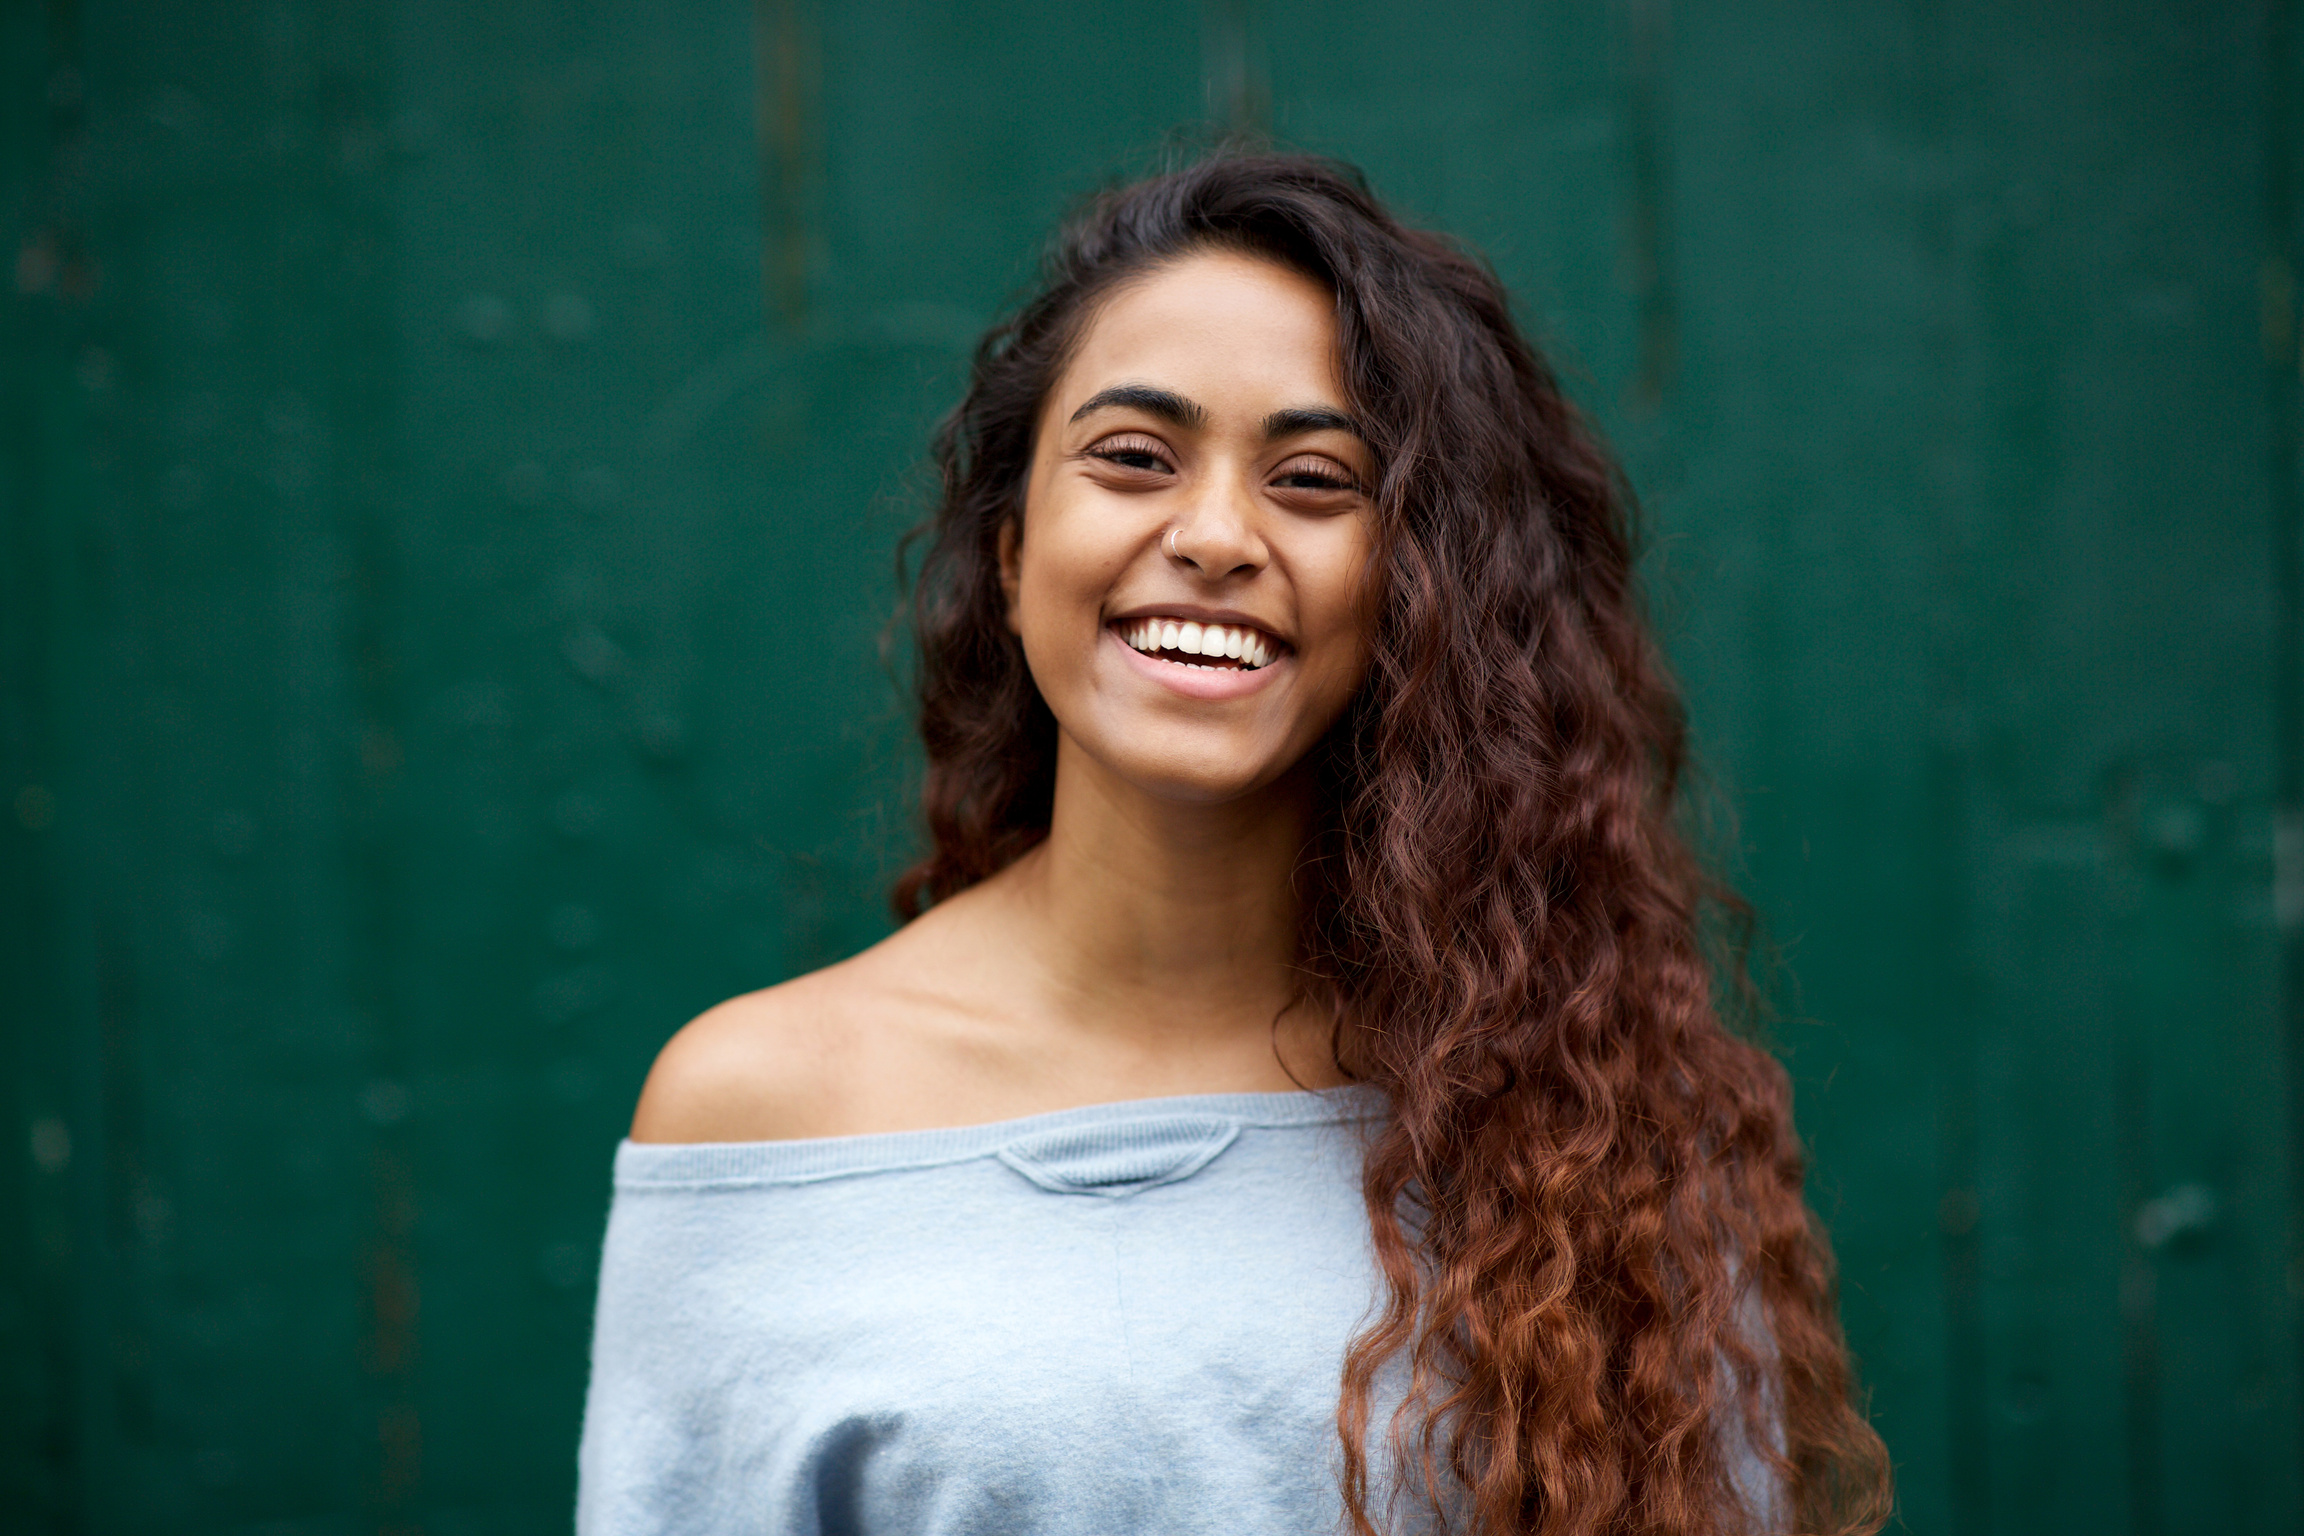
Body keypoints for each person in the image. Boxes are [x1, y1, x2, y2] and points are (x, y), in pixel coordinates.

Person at [577, 153, 1892, 1536]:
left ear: (1415, 590)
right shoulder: (762, 1111)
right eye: (1135, 457)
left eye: (1317, 479)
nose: (1213, 536)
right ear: (1016, 556)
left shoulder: (1588, 1122)